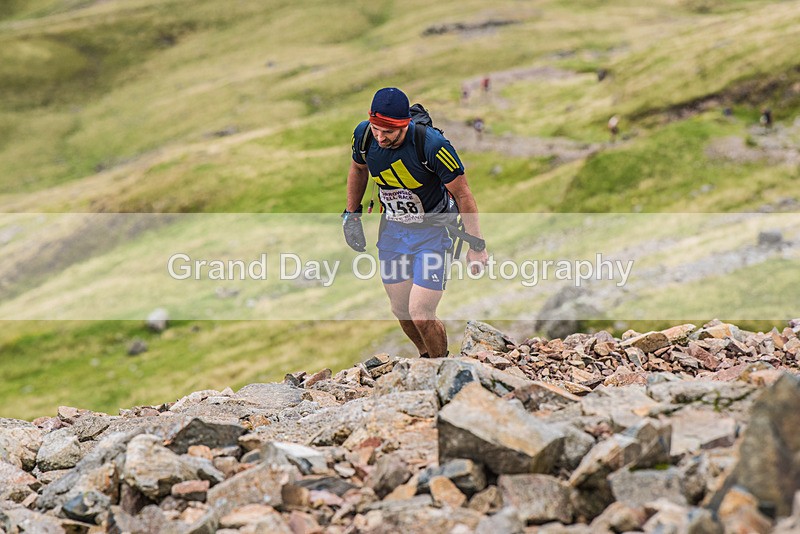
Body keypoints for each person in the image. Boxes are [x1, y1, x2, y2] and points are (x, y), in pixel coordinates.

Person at [342, 87, 489, 359]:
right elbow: (358, 168)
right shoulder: (363, 135)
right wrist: (352, 215)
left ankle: (441, 367)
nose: (380, 137)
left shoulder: (432, 145)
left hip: (433, 233)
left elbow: (463, 194)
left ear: (404, 124)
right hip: (394, 231)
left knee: (421, 312)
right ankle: (425, 359)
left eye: (388, 131)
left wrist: (477, 245)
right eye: (376, 128)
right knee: (400, 309)